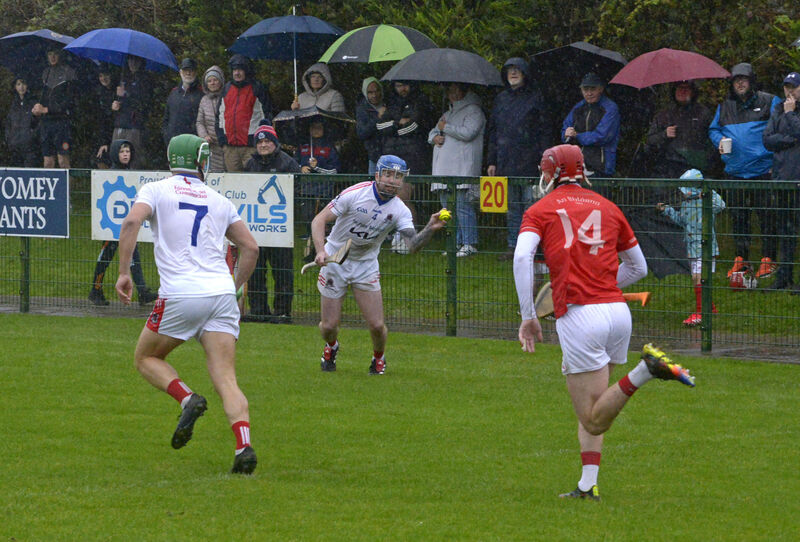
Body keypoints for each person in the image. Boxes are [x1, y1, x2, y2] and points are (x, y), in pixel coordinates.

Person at [514, 144, 695, 501]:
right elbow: (638, 268)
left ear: (550, 173)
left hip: (582, 316)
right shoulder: (609, 207)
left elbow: (522, 258)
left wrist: (528, 317)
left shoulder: (540, 208)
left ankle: (648, 370)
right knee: (596, 406)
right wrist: (604, 285)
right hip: (617, 312)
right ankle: (587, 485)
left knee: (594, 416)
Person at [114, 134, 259, 475]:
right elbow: (251, 248)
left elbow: (132, 221)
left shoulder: (156, 189)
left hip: (181, 293)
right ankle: (243, 445)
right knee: (226, 377)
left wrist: (124, 272)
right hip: (220, 294)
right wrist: (234, 289)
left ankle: (187, 398)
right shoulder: (219, 199)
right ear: (201, 161)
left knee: (146, 357)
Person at [311, 154, 447, 374]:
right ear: (377, 175)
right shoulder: (355, 194)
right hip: (335, 260)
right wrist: (320, 251)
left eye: (398, 177)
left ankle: (378, 357)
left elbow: (412, 244)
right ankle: (331, 346)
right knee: (328, 326)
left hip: (365, 264)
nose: (392, 181)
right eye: (388, 175)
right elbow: (319, 220)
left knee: (376, 325)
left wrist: (430, 228)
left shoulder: (400, 209)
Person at [708, 62, 782, 280]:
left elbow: (781, 127)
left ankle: (769, 259)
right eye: (736, 80)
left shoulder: (770, 101)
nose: (740, 83)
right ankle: (741, 259)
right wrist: (719, 139)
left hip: (764, 171)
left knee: (767, 216)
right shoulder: (724, 106)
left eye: (744, 79)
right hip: (735, 171)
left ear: (752, 81)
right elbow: (713, 129)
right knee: (739, 217)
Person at [486, 58, 550, 261]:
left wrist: (544, 161)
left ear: (525, 73)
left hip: (531, 163)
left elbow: (544, 131)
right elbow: (493, 132)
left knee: (532, 207)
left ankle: (534, 248)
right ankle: (514, 246)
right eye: (509, 70)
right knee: (513, 208)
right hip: (505, 162)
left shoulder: (536, 98)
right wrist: (491, 161)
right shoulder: (501, 99)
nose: (513, 73)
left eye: (517, 70)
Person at [88, 140, 157, 306]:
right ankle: (95, 289)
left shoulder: (131, 173)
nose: (126, 154)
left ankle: (141, 291)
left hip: (126, 224)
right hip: (112, 225)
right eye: (122, 151)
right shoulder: (111, 174)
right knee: (105, 257)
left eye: (128, 151)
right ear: (114, 154)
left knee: (133, 254)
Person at [243, 123, 299, 323]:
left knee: (282, 270)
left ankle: (282, 311)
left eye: (267, 141)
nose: (264, 145)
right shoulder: (250, 164)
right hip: (256, 228)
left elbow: (296, 191)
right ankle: (258, 310)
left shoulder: (288, 163)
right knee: (255, 270)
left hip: (279, 229)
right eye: (260, 141)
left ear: (275, 143)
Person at [656, 169, 726, 325]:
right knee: (698, 279)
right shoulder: (686, 203)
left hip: (705, 244)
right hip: (692, 246)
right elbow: (682, 221)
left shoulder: (707, 200)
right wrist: (667, 210)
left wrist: (707, 194)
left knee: (699, 278)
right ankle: (710, 307)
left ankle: (701, 312)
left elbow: (721, 205)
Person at [377, 81, 435, 253]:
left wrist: (392, 124)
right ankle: (399, 235)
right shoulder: (391, 102)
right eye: (398, 85)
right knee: (392, 197)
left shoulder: (420, 101)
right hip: (393, 157)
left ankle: (409, 237)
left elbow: (413, 127)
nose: (402, 89)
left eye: (406, 85)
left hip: (413, 157)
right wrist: (397, 123)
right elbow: (380, 127)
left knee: (403, 197)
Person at [429, 83, 485, 257]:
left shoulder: (475, 111)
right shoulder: (448, 113)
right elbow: (433, 130)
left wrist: (446, 128)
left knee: (463, 206)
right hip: (444, 169)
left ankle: (469, 243)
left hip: (462, 167)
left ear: (464, 91)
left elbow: (468, 133)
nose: (451, 95)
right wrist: (434, 137)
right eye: (449, 91)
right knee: (447, 208)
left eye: (455, 91)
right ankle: (454, 242)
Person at [762, 71, 800, 292]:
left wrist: (790, 115)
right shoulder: (777, 109)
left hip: (798, 178)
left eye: (794, 87)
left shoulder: (786, 111)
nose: (790, 92)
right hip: (782, 178)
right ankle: (784, 278)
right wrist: (790, 139)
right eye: (787, 87)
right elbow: (767, 140)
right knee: (785, 230)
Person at [645, 81, 717, 179]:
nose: (682, 91)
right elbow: (650, 141)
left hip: (697, 171)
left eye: (686, 88)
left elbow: (713, 140)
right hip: (668, 172)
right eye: (679, 88)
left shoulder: (703, 113)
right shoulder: (664, 115)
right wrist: (664, 134)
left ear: (693, 92)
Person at [217, 54, 272, 172]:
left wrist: (262, 141)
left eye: (240, 69)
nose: (237, 73)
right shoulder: (226, 89)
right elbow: (220, 115)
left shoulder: (257, 88)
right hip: (230, 147)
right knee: (233, 186)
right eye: (234, 70)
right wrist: (222, 140)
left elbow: (266, 116)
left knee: (252, 182)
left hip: (251, 147)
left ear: (247, 71)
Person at [561, 72, 621, 178]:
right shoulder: (578, 107)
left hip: (601, 167)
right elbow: (566, 127)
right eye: (585, 89)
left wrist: (577, 136)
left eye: (592, 89)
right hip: (577, 166)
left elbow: (602, 136)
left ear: (601, 89)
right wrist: (566, 134)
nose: (589, 93)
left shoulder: (610, 108)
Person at [297, 117, 341, 241]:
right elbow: (294, 163)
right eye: (313, 128)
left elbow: (334, 170)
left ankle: (323, 232)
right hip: (306, 187)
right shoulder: (304, 146)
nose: (316, 130)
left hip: (324, 188)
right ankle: (308, 232)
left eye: (319, 128)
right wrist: (301, 167)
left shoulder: (329, 147)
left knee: (323, 212)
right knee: (307, 212)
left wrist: (317, 168)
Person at [32, 48, 75, 169]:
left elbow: (69, 102)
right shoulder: (45, 73)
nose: (52, 57)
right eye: (50, 54)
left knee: (63, 161)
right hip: (46, 124)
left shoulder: (69, 72)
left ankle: (67, 188)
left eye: (55, 53)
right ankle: (49, 188)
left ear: (60, 55)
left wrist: (48, 109)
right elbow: (41, 99)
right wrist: (37, 108)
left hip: (62, 123)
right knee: (48, 162)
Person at [112, 55, 153, 168]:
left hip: (135, 125)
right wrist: (115, 104)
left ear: (140, 62)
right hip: (120, 123)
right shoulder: (123, 77)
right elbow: (117, 100)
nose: (133, 63)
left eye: (136, 60)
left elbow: (144, 102)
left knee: (133, 157)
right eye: (130, 60)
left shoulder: (145, 79)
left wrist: (126, 94)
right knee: (117, 156)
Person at [162, 58, 204, 146]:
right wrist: (167, 135)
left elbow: (203, 122)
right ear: (180, 72)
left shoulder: (201, 95)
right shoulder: (173, 93)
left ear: (195, 73)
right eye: (185, 70)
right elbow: (166, 117)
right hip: (173, 143)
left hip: (193, 144)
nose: (188, 73)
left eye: (191, 70)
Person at [196, 65, 225, 172]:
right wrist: (204, 135)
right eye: (209, 81)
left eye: (215, 80)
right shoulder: (204, 100)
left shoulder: (227, 96)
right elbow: (199, 122)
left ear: (221, 81)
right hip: (211, 147)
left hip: (226, 146)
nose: (212, 83)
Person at [5, 77, 39, 167]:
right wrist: (9, 139)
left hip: (30, 147)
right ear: (15, 87)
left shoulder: (34, 102)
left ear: (27, 85)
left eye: (23, 84)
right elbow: (8, 123)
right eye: (18, 84)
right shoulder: (13, 104)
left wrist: (32, 137)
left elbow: (38, 123)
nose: (21, 87)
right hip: (14, 146)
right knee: (16, 176)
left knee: (29, 175)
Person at [355, 77, 385, 174]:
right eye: (370, 92)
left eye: (377, 91)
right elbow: (362, 133)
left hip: (392, 152)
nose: (374, 95)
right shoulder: (362, 109)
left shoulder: (389, 104)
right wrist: (378, 118)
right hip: (374, 155)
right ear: (365, 93)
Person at [91, 64, 117, 168]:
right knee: (100, 159)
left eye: (106, 75)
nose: (103, 78)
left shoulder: (118, 90)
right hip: (102, 134)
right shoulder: (98, 93)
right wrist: (103, 142)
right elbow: (101, 119)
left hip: (116, 131)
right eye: (101, 76)